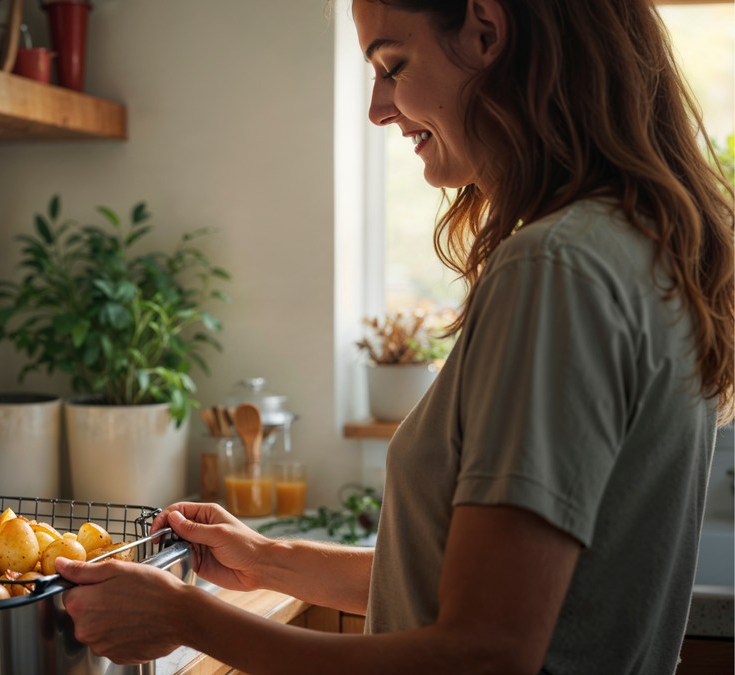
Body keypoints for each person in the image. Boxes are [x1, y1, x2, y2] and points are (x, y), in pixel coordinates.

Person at [53, 0, 735, 672]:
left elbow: (482, 656)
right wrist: (267, 559)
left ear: (486, 31)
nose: (378, 109)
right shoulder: (644, 251)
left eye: (392, 66)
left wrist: (187, 619)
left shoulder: (555, 269)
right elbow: (483, 592)